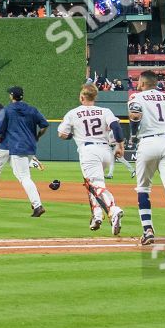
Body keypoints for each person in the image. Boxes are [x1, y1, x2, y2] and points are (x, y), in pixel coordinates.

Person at [128, 70, 165, 252]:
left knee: (143, 188)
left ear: (143, 82)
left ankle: (148, 231)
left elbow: (134, 117)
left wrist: (132, 135)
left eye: (138, 80)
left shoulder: (136, 97)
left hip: (147, 142)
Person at [57, 83, 125, 235]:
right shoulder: (105, 111)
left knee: (96, 184)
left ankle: (113, 209)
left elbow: (61, 134)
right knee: (91, 184)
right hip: (106, 151)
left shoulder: (73, 113)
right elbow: (116, 126)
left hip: (89, 151)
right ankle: (97, 216)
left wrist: (72, 134)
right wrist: (120, 145)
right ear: (95, 97)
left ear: (82, 97)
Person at [0, 85, 48, 216]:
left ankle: (37, 205)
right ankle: (34, 194)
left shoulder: (7, 110)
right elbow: (44, 125)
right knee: (20, 174)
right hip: (30, 147)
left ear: (11, 96)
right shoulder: (32, 109)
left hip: (17, 147)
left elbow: (0, 130)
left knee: (24, 177)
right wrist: (37, 136)